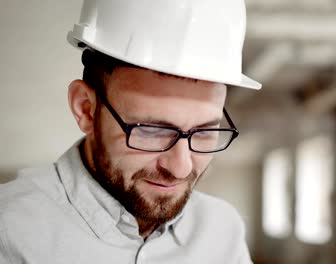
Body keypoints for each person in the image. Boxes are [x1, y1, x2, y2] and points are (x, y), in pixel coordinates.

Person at [0, 0, 261, 263]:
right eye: (152, 130)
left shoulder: (223, 232)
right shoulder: (11, 232)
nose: (180, 169)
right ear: (86, 109)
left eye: (204, 132)